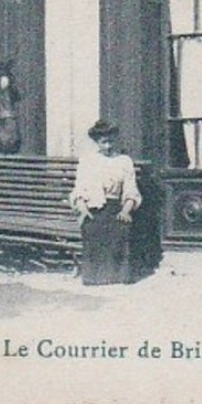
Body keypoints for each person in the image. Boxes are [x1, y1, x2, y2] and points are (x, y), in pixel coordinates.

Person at [69, 119, 142, 286]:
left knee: (121, 227)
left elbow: (131, 191)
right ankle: (95, 277)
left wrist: (126, 210)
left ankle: (117, 276)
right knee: (92, 227)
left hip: (115, 206)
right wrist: (82, 209)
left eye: (111, 141)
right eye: (104, 142)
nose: (108, 146)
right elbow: (79, 189)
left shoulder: (124, 161)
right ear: (97, 142)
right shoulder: (87, 161)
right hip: (93, 207)